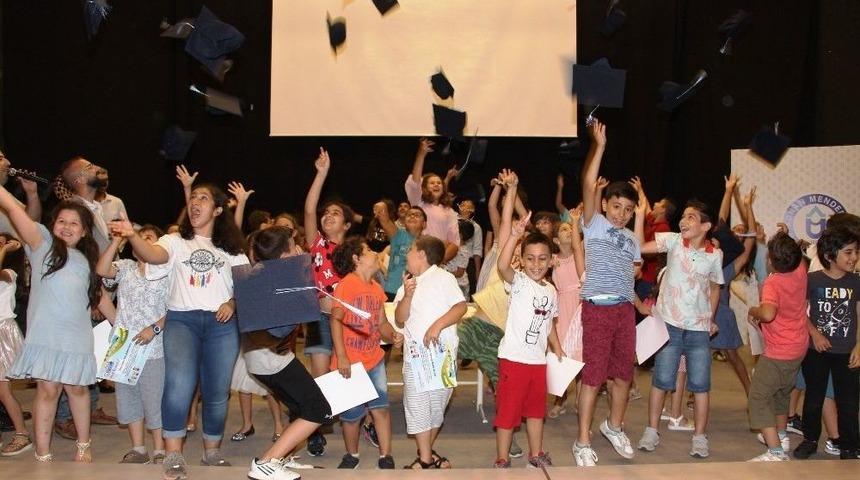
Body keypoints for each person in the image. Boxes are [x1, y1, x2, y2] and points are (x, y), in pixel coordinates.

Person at [112, 181, 249, 480]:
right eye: (193, 197)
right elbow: (153, 255)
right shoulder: (174, 240)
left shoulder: (233, 249)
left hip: (221, 325)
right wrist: (132, 235)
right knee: (179, 385)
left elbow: (247, 288)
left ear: (218, 210)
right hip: (182, 322)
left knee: (216, 391)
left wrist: (232, 302)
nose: (195, 202)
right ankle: (174, 454)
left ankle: (212, 451)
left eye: (203, 198)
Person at [3, 185, 106, 462]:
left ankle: (83, 445)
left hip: (77, 337)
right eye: (61, 221)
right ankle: (42, 451)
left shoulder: (87, 260)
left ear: (84, 232)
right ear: (53, 225)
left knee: (77, 389)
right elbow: (13, 209)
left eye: (74, 223)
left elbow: (100, 299)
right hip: (45, 336)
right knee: (47, 391)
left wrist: (123, 327)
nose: (67, 227)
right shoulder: (42, 245)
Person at [572, 120, 642, 466]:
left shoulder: (631, 239)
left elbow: (631, 276)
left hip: (624, 311)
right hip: (597, 309)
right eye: (616, 207)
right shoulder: (594, 224)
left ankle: (614, 426)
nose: (621, 214)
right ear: (604, 206)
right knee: (594, 376)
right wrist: (599, 146)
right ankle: (582, 441)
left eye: (628, 210)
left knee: (624, 375)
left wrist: (638, 304)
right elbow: (588, 184)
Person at [241, 226, 333, 480]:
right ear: (283, 256)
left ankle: (280, 457)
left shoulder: (259, 275)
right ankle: (266, 462)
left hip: (263, 359)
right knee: (317, 410)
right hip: (271, 361)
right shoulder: (282, 284)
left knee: (299, 407)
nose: (300, 250)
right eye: (294, 247)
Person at [635, 199, 724, 458]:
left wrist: (710, 319)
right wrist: (640, 216)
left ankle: (699, 436)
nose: (684, 221)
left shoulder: (715, 255)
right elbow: (639, 247)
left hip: (698, 330)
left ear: (706, 226)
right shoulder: (673, 241)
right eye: (683, 216)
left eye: (691, 217)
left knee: (700, 385)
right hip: (670, 326)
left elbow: (715, 289)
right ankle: (651, 430)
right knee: (661, 380)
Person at [492, 168, 563, 469]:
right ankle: (502, 457)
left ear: (551, 261)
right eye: (530, 258)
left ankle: (536, 453)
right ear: (522, 260)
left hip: (538, 361)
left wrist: (557, 348)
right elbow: (501, 265)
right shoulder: (519, 281)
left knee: (536, 411)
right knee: (508, 413)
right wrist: (515, 236)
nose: (536, 264)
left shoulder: (551, 290)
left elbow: (550, 323)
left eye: (542, 259)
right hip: (514, 360)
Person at [95, 224, 169, 464]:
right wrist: (117, 240)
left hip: (154, 346)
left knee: (154, 399)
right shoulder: (125, 267)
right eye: (138, 237)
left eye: (149, 237)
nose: (142, 240)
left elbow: (176, 308)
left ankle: (159, 449)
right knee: (128, 398)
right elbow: (101, 269)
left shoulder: (167, 273)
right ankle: (138, 448)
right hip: (124, 346)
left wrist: (154, 328)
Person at [329, 237, 403, 469]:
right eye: (368, 250)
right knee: (351, 416)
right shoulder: (346, 285)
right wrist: (342, 356)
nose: (374, 253)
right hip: (350, 364)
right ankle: (352, 454)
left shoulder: (377, 288)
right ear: (356, 258)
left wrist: (393, 335)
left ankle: (385, 455)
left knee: (380, 408)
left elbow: (381, 324)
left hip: (374, 359)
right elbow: (335, 320)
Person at [395, 235, 467, 469]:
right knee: (417, 406)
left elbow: (460, 307)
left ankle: (426, 454)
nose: (406, 255)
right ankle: (426, 459)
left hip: (441, 356)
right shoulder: (408, 283)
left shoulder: (443, 278)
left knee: (436, 408)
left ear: (422, 255)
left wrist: (437, 325)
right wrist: (407, 296)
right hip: (416, 358)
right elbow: (400, 317)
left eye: (410, 250)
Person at [302, 147, 354, 456]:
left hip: (347, 321)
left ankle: (357, 421)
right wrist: (321, 174)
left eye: (335, 213)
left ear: (346, 225)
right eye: (327, 212)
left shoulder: (356, 252)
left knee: (347, 373)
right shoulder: (318, 244)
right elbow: (309, 211)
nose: (327, 216)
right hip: (319, 317)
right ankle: (315, 429)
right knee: (320, 375)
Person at [793, 226, 860, 460]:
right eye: (848, 252)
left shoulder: (856, 282)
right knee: (814, 397)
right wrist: (815, 334)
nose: (854, 257)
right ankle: (810, 439)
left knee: (849, 401)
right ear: (830, 255)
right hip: (816, 350)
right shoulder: (812, 280)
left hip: (847, 351)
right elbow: (799, 312)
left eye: (856, 252)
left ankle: (850, 445)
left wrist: (858, 346)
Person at [746, 232, 808, 462]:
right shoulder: (800, 271)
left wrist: (754, 310)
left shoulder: (773, 283)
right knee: (782, 392)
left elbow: (768, 313)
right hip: (798, 347)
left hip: (778, 352)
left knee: (758, 397)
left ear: (771, 261)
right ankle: (781, 436)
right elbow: (799, 257)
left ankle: (775, 452)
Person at [0, 233, 31, 456]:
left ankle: (22, 434)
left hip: (3, 331)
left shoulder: (10, 273)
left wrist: (5, 251)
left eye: (2, 243)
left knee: (4, 391)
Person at [405, 138, 460, 262]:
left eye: (439, 183)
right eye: (432, 183)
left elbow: (454, 243)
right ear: (424, 188)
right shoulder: (418, 203)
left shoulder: (449, 212)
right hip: (417, 258)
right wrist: (421, 154)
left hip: (437, 261)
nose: (436, 185)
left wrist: (437, 263)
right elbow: (415, 182)